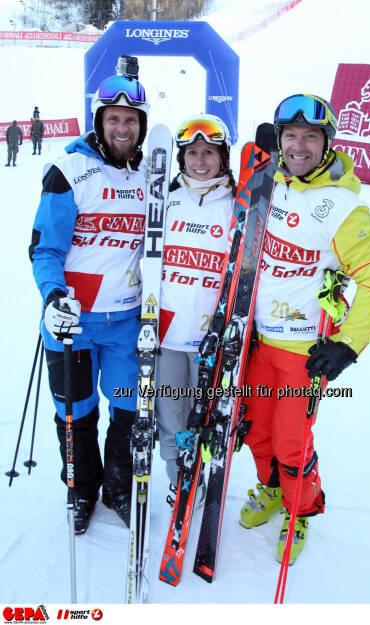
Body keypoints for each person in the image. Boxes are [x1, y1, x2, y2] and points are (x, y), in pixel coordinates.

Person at [239, 94, 370, 564]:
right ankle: (270, 488)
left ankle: (299, 508)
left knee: (291, 440)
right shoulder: (271, 183)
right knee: (253, 430)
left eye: (310, 136)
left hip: (304, 351)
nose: (299, 146)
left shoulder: (344, 206)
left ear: (327, 144)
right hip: (258, 342)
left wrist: (348, 345)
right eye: (290, 136)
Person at [28, 73, 149, 534]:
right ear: (100, 121)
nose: (123, 128)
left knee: (125, 409)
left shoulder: (152, 175)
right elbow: (46, 249)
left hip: (126, 325)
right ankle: (81, 488)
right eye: (114, 118)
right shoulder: (68, 170)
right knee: (75, 414)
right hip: (73, 324)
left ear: (141, 124)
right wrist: (53, 296)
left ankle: (118, 487)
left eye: (131, 119)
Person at [156, 114, 236, 498]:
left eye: (208, 152)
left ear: (223, 158)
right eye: (191, 153)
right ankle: (178, 479)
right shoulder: (166, 202)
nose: (199, 160)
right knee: (170, 413)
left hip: (212, 336)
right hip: (169, 333)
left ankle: (200, 471)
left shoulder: (238, 208)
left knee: (205, 415)